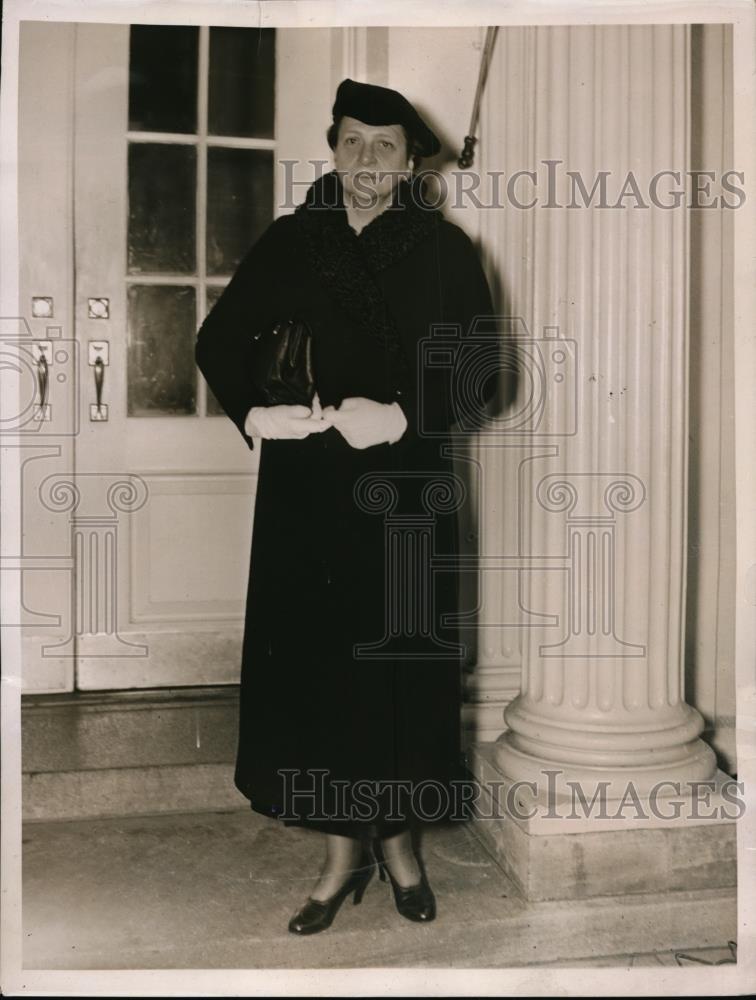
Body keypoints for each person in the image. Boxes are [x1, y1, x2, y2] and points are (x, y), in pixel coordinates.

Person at [195, 78, 495, 935]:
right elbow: (219, 339)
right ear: (333, 150)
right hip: (308, 494)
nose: (367, 162)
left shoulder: (443, 250)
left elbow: (483, 373)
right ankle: (338, 858)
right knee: (321, 674)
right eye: (352, 142)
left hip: (407, 493)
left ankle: (399, 848)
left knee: (399, 671)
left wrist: (403, 413)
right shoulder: (293, 241)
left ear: (409, 164)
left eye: (386, 146)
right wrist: (258, 408)